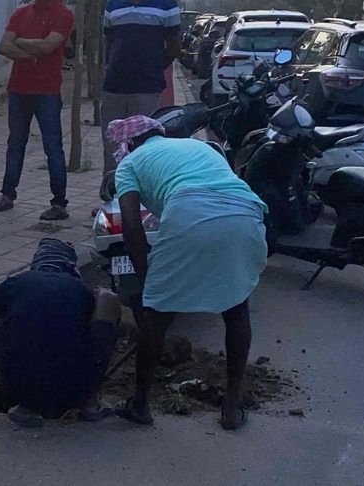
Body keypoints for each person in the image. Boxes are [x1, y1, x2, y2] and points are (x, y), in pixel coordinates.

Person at [110, 116, 266, 430]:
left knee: (156, 316)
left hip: (189, 210)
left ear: (131, 143)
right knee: (235, 307)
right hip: (245, 211)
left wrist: (146, 279)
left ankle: (140, 403)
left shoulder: (129, 164)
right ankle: (232, 405)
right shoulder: (198, 147)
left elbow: (130, 225)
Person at [0, 239, 121, 428]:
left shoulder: (18, 282)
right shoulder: (81, 289)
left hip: (23, 388)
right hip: (77, 389)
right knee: (106, 299)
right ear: (71, 267)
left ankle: (25, 407)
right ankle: (91, 403)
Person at [0, 0, 74, 220]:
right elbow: (3, 46)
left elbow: (48, 47)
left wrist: (22, 42)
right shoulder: (21, 13)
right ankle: (7, 194)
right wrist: (30, 54)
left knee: (53, 147)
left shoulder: (64, 14)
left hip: (47, 91)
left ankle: (59, 203)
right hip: (18, 89)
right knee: (15, 144)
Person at [99, 0, 182, 175]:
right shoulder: (113, 5)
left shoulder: (166, 5)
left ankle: (142, 200)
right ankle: (112, 195)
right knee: (113, 144)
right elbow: (109, 42)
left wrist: (153, 68)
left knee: (145, 145)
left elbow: (174, 46)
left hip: (146, 89)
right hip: (114, 88)